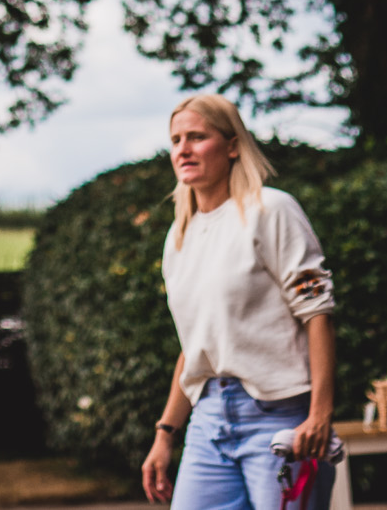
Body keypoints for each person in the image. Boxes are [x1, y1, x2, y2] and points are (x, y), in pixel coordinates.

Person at [141, 94, 337, 510]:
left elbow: (317, 314)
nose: (184, 149)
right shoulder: (179, 237)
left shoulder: (272, 210)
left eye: (197, 137)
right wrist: (165, 434)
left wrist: (319, 415)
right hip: (208, 421)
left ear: (233, 145)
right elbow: (196, 346)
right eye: (176, 140)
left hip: (280, 418)